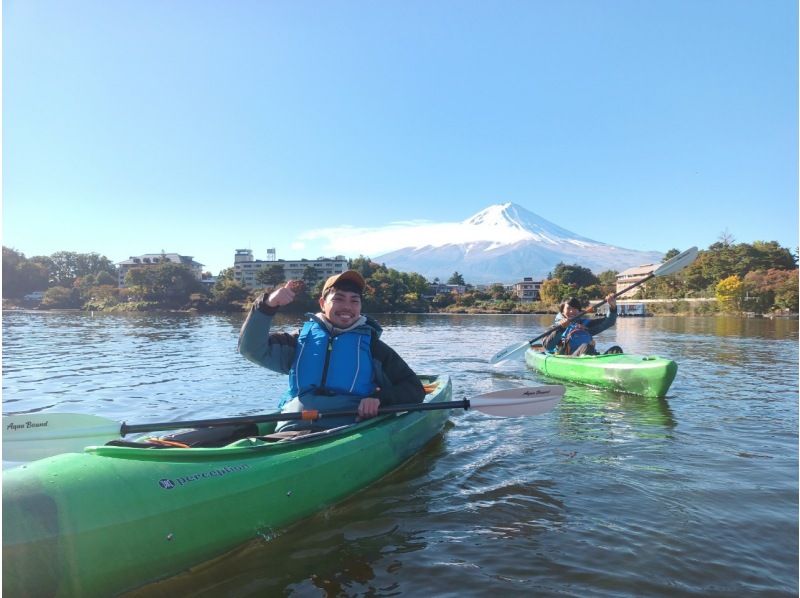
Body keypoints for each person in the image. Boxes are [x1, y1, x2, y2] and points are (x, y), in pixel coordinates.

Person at [238, 270, 425, 431]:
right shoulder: (298, 342)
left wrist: (379, 399)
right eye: (338, 299)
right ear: (322, 303)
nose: (347, 307)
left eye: (354, 301)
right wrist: (268, 305)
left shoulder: (374, 348)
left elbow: (414, 388)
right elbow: (251, 349)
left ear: (360, 307)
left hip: (349, 427)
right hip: (294, 426)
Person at [542, 295, 622, 356]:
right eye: (568, 308)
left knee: (616, 350)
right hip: (569, 359)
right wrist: (561, 328)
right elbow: (548, 347)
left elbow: (608, 322)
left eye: (575, 309)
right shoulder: (554, 328)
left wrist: (613, 307)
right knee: (586, 347)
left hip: (589, 356)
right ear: (562, 311)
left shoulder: (586, 325)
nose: (571, 311)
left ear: (579, 311)